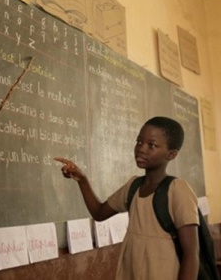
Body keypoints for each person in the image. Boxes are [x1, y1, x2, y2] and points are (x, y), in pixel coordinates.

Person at [55, 116, 200, 279]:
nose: (141, 149)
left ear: (171, 154)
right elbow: (99, 213)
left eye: (151, 145)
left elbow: (191, 254)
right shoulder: (133, 186)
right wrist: (82, 180)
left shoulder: (178, 190)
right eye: (139, 142)